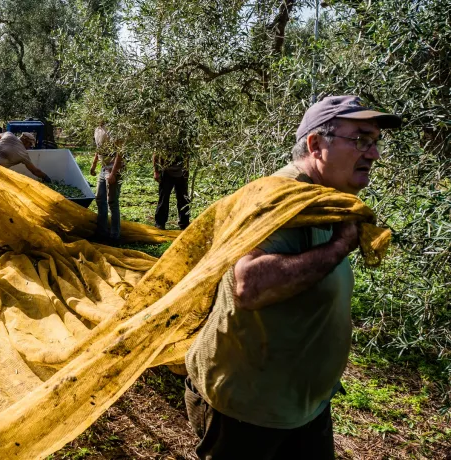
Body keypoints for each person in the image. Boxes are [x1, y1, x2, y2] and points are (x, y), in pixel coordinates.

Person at [184, 96, 401, 459]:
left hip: (304, 405)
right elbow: (248, 285)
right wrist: (337, 249)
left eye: (376, 141)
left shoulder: (325, 198)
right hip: (248, 413)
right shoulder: (280, 198)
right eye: (361, 139)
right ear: (316, 144)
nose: (374, 153)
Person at [90, 123, 123, 242]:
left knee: (112, 202)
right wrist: (94, 164)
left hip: (114, 169)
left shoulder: (114, 129)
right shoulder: (97, 129)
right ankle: (102, 233)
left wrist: (113, 173)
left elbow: (121, 153)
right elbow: (98, 149)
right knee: (100, 199)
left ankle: (115, 236)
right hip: (103, 168)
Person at [153, 152, 190, 230]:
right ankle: (160, 223)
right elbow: (156, 154)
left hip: (181, 173)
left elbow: (187, 155)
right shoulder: (164, 141)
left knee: (183, 199)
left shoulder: (183, 141)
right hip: (166, 172)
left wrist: (187, 170)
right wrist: (156, 171)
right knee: (164, 199)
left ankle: (184, 224)